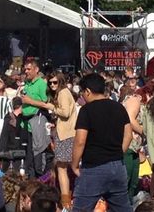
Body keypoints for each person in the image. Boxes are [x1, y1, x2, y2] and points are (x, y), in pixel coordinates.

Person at [71, 73, 132, 212]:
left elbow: (80, 141)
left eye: (82, 93)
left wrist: (74, 165)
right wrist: (117, 153)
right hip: (117, 167)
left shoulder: (86, 110)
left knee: (81, 209)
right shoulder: (119, 107)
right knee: (123, 208)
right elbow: (128, 136)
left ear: (87, 91)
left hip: (94, 167)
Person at [22, 71, 77, 208]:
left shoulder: (63, 92)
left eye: (55, 82)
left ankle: (66, 202)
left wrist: (51, 107)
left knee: (62, 168)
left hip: (66, 135)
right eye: (50, 82)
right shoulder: (62, 93)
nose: (52, 85)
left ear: (61, 82)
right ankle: (68, 198)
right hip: (64, 133)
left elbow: (65, 112)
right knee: (63, 167)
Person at [20, 59, 49, 177]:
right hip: (26, 122)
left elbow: (45, 102)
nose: (26, 71)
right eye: (25, 69)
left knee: (37, 152)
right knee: (29, 154)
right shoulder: (27, 83)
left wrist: (29, 101)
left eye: (29, 69)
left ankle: (40, 178)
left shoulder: (41, 83)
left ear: (36, 70)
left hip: (36, 121)